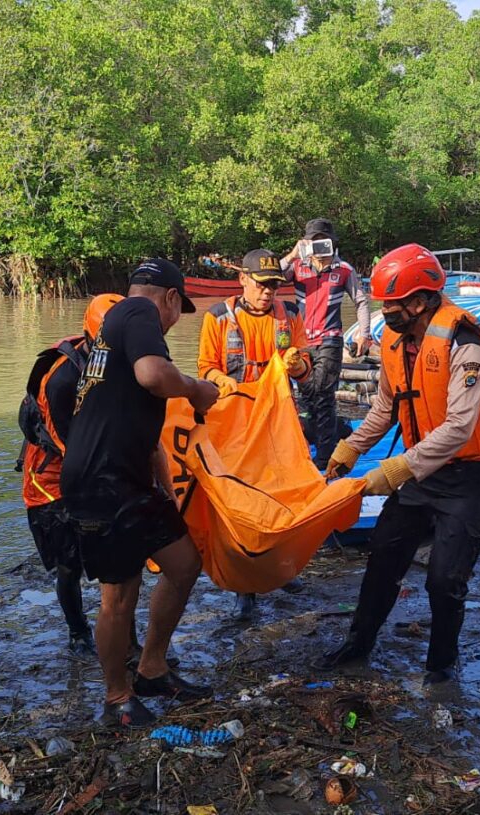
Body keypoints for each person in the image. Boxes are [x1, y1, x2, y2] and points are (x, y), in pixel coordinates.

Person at [314, 244, 480, 686]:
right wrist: (350, 449)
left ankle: (440, 666)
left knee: (444, 579)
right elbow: (385, 406)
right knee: (383, 556)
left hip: (466, 478)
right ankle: (358, 643)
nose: (385, 312)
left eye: (391, 305)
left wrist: (395, 470)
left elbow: (458, 428)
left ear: (419, 302)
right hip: (421, 472)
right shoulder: (397, 342)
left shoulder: (465, 344)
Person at [61, 258, 220, 728]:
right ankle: (117, 699)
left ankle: (152, 669)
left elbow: (139, 420)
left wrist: (167, 490)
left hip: (129, 479)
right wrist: (195, 389)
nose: (174, 323)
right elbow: (154, 375)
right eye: (178, 311)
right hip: (99, 482)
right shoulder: (138, 314)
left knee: (184, 563)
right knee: (119, 595)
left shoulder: (116, 328)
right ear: (170, 298)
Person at [197, 248, 312, 620]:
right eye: (261, 285)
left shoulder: (289, 315)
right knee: (239, 504)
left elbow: (306, 370)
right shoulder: (218, 318)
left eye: (274, 286)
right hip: (235, 424)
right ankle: (244, 584)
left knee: (284, 495)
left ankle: (283, 569)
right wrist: (223, 381)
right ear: (243, 280)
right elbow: (205, 368)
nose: (268, 293)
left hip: (278, 423)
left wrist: (297, 364)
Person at [18, 294, 123, 658]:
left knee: (117, 558)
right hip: (50, 479)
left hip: (97, 463)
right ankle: (78, 632)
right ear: (93, 339)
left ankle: (124, 638)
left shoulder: (118, 361)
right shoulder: (62, 379)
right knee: (70, 562)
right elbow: (72, 446)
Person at [279, 218, 370, 469]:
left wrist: (364, 333)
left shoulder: (344, 270)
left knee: (323, 394)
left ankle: (325, 455)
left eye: (324, 242)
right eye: (314, 242)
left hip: (330, 339)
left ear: (333, 243)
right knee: (306, 397)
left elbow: (361, 301)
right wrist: (293, 253)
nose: (320, 247)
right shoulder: (297, 267)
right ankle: (338, 429)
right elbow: (271, 279)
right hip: (301, 341)